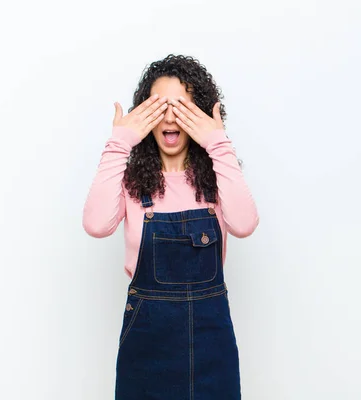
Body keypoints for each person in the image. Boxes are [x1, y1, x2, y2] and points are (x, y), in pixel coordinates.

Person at [82, 54, 259, 399]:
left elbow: (244, 224)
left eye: (182, 107)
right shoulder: (132, 185)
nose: (170, 117)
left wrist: (217, 142)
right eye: (159, 105)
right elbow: (95, 224)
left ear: (200, 114)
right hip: (148, 344)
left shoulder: (216, 182)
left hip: (211, 343)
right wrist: (119, 142)